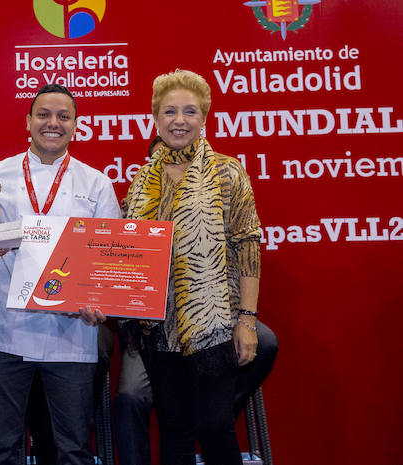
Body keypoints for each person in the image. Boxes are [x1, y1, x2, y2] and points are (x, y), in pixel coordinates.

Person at [0, 83, 120, 465]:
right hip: (4, 329)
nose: (53, 123)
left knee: (74, 448)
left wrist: (101, 301)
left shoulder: (96, 183)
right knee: (1, 447)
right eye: (44, 115)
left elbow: (109, 257)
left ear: (76, 125)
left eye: (63, 116)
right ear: (28, 122)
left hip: (71, 334)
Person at [120, 69, 262, 465]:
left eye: (189, 111)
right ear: (155, 119)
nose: (178, 120)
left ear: (204, 118)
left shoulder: (228, 170)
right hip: (158, 326)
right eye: (169, 111)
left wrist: (247, 320)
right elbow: (127, 249)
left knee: (215, 425)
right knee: (174, 428)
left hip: (214, 324)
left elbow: (248, 244)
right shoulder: (141, 179)